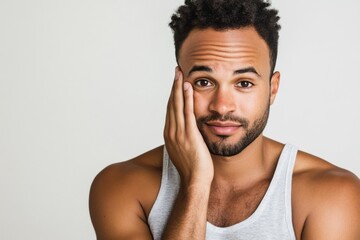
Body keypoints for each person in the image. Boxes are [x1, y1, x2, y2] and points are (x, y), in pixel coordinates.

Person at [89, 0, 360, 239]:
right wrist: (196, 183)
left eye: (243, 83)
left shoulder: (331, 195)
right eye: (204, 82)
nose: (222, 106)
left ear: (272, 88)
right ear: (178, 83)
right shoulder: (121, 186)